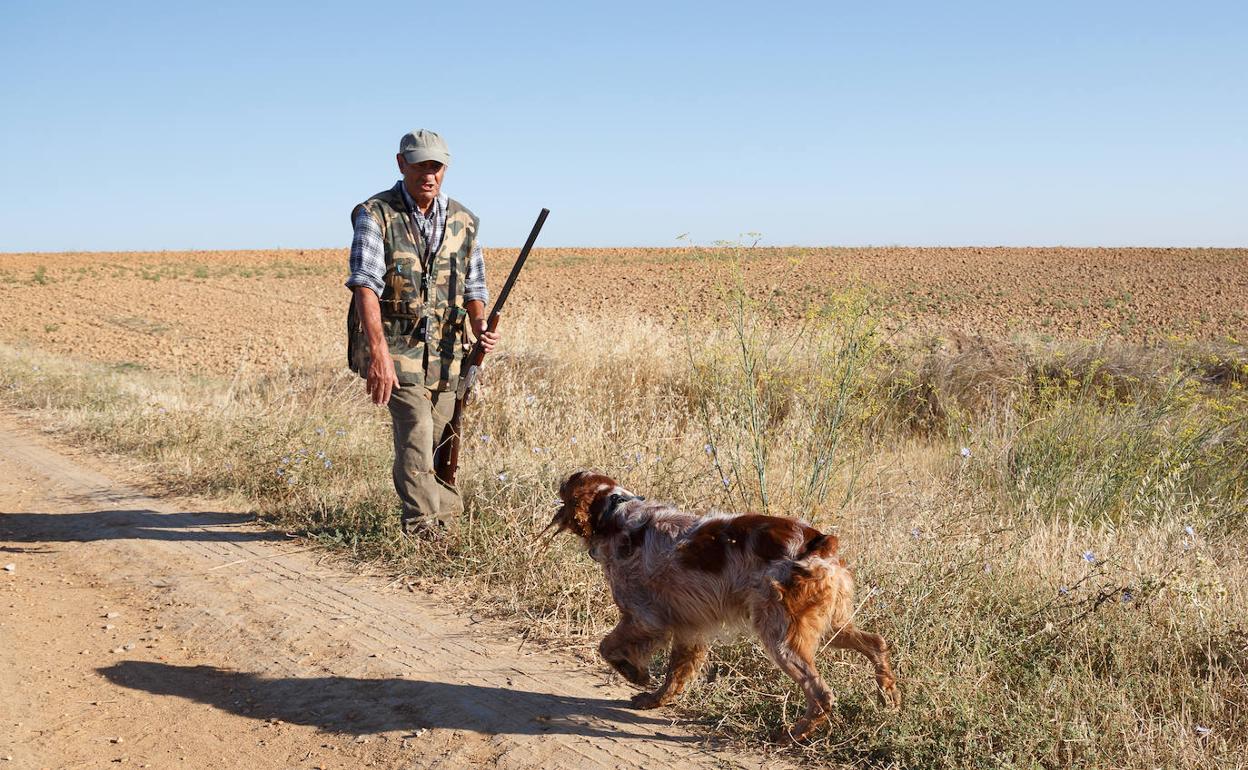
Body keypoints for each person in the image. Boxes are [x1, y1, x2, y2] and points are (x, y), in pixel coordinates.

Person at [345, 129, 498, 537]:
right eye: (420, 165)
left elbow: (475, 286)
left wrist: (480, 325)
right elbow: (365, 285)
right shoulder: (375, 213)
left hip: (448, 353)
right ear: (401, 164)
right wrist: (378, 354)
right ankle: (423, 529)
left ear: (444, 169)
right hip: (397, 349)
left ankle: (448, 523)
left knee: (444, 438)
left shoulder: (464, 220)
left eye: (436, 166)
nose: (428, 174)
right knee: (416, 427)